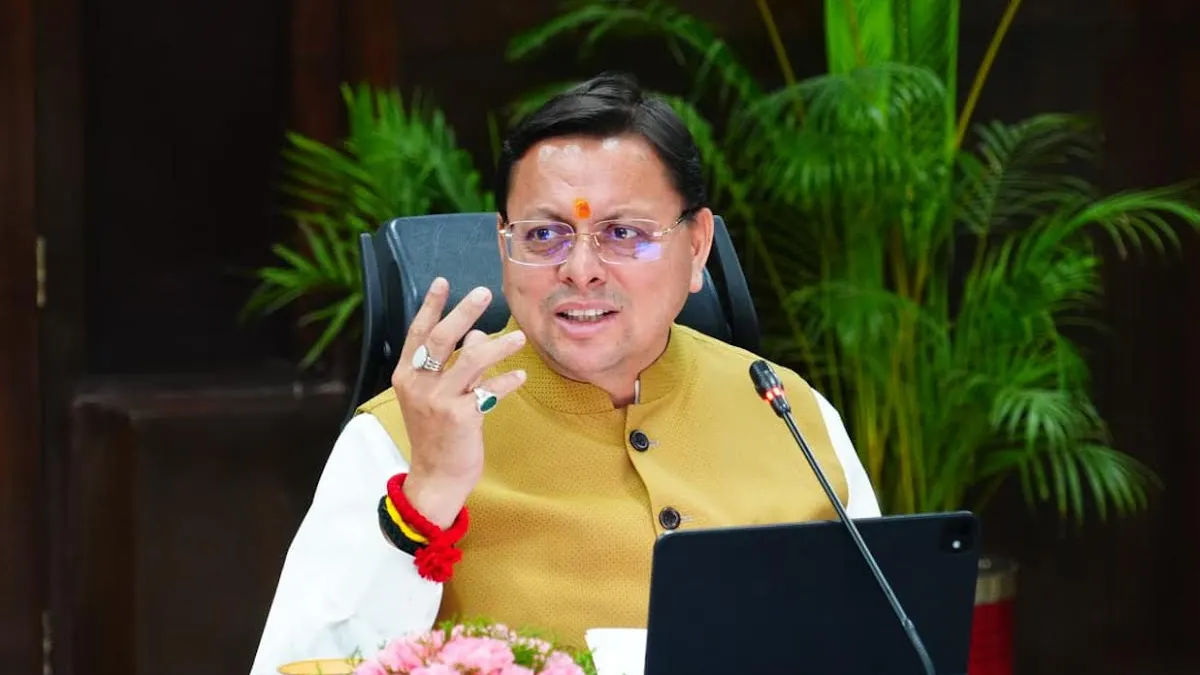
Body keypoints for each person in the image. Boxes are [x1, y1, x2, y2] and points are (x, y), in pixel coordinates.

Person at [249, 72, 880, 675]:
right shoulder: (400, 437)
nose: (581, 269)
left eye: (623, 232)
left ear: (697, 248)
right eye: (544, 235)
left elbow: (890, 641)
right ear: (503, 249)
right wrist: (427, 495)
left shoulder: (787, 410)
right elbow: (302, 665)